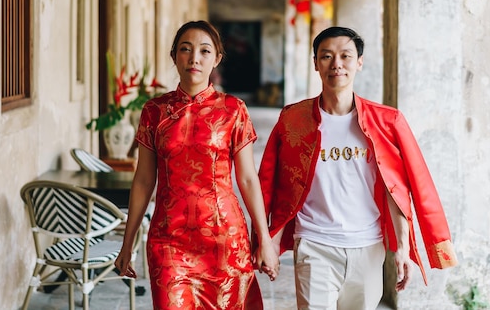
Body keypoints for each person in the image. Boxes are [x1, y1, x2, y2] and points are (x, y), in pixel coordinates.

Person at [256, 26, 458, 310]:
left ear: (359, 62)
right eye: (326, 56)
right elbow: (274, 184)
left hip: (368, 247)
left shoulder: (387, 122)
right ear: (316, 63)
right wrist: (270, 242)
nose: (336, 64)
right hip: (315, 243)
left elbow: (398, 190)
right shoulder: (293, 120)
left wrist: (401, 247)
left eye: (346, 56)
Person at [115, 20, 278, 309]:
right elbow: (142, 180)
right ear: (174, 56)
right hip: (168, 241)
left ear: (216, 59)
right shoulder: (154, 112)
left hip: (225, 241)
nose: (194, 58)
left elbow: (248, 179)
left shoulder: (233, 110)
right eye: (185, 49)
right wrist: (127, 243)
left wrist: (264, 238)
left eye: (204, 51)